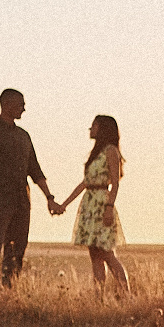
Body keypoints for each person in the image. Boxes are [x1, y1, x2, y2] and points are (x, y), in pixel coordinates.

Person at [0, 89, 49, 290]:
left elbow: (35, 169)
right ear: (6, 104)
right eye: (20, 104)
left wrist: (49, 197)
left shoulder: (23, 136)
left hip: (22, 201)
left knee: (17, 249)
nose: (24, 108)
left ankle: (9, 291)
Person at [55, 114, 130, 296]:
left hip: (102, 203)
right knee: (95, 254)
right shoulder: (96, 153)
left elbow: (115, 182)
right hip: (89, 204)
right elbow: (85, 183)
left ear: (102, 128)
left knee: (107, 253)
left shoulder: (111, 151)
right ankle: (99, 297)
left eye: (94, 126)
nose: (91, 129)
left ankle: (127, 295)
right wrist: (64, 204)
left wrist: (109, 207)